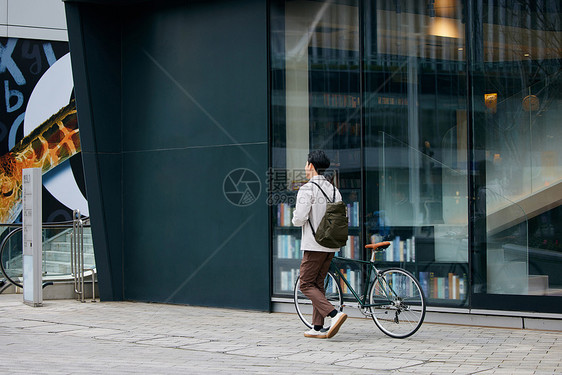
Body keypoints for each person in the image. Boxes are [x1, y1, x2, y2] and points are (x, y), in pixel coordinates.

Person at [292, 150, 347, 339]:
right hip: (331, 245)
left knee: (305, 284)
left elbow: (299, 219)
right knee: (318, 283)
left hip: (314, 245)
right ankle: (317, 327)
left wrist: (294, 219)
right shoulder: (334, 189)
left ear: (311, 165)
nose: (305, 166)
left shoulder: (307, 189)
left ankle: (334, 314)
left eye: (306, 163)